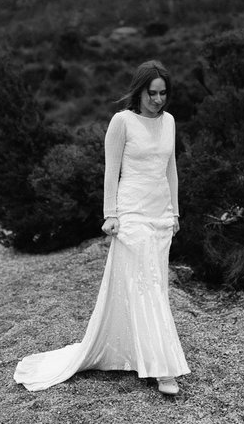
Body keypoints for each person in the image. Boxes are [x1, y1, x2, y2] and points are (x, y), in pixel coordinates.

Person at [13, 59, 189, 396]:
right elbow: (111, 171)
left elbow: (172, 170)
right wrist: (111, 214)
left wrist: (176, 213)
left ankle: (141, 353)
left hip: (161, 215)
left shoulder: (169, 121)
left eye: (163, 93)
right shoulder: (121, 121)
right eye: (152, 93)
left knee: (155, 285)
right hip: (131, 213)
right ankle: (163, 369)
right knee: (146, 285)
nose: (158, 100)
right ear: (139, 91)